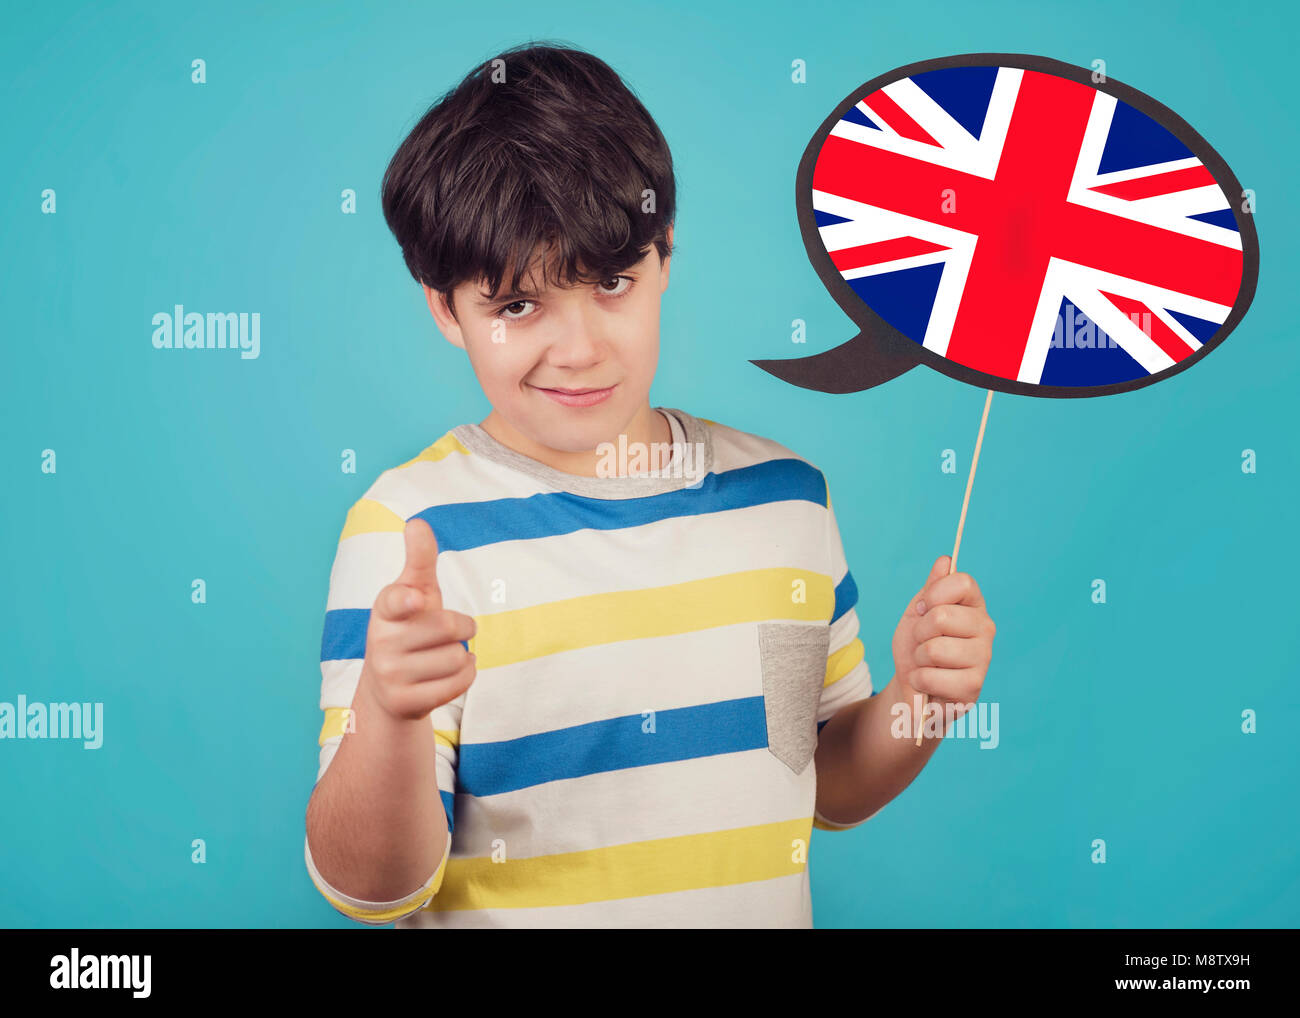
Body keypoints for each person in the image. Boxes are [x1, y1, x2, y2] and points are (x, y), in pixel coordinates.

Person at [303, 41, 996, 928]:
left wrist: (918, 705)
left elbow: (827, 785)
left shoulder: (786, 502)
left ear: (665, 256)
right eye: (518, 305)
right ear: (446, 308)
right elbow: (371, 887)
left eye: (612, 283)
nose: (581, 347)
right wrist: (388, 712)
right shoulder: (409, 536)